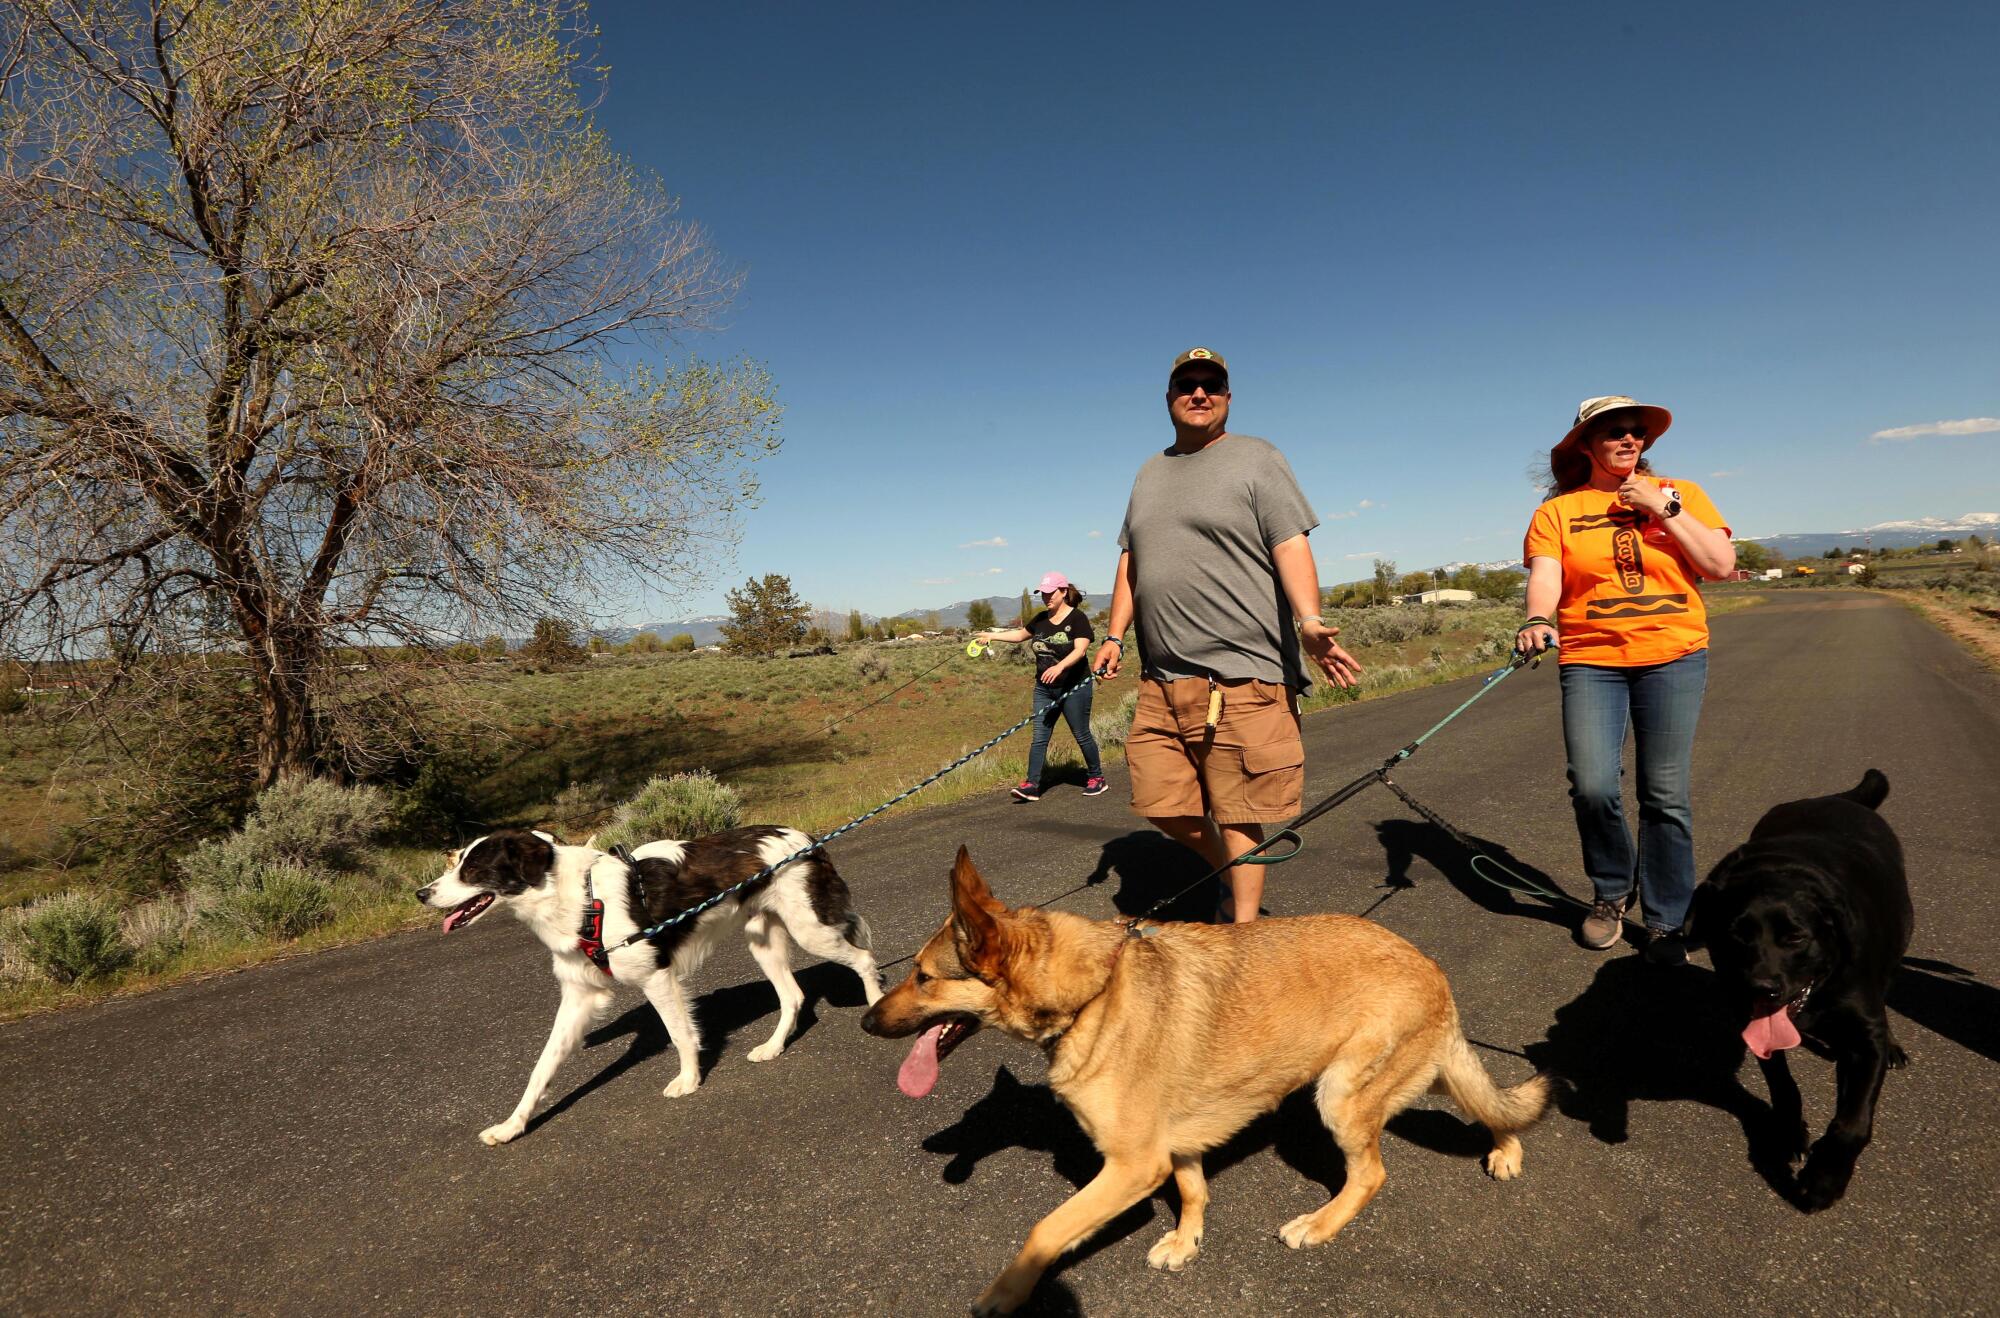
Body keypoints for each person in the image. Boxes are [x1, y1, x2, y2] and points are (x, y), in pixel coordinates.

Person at [1092, 348, 1362, 923]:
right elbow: (1130, 561)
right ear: (1168, 398)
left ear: (1228, 397)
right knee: (1161, 804)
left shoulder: (1256, 458)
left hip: (1241, 673)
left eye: (1211, 384)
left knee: (1239, 810)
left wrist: (1309, 620)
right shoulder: (1149, 472)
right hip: (1162, 678)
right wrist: (1114, 635)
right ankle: (1227, 869)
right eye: (1186, 385)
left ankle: (1244, 935)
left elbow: (1290, 542)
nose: (1199, 393)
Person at [1517, 395, 1735, 966]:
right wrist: (1537, 619)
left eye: (1637, 431)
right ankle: (1613, 892)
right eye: (1614, 431)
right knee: (1592, 783)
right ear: (1585, 444)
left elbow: (1717, 564)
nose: (1629, 439)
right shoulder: (1557, 513)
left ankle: (1666, 921)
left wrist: (1664, 508)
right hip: (1591, 659)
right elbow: (1546, 577)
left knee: (1664, 794)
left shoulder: (1682, 494)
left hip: (1674, 655)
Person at [975, 571, 1107, 802]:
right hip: (1044, 689)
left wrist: (1060, 667)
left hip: (1074, 686)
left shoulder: (1077, 619)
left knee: (1081, 734)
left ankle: (1096, 777)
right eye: (1043, 593)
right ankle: (1032, 785)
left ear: (1063, 592)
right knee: (1039, 737)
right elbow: (1019, 635)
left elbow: (1080, 650)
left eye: (1050, 593)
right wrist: (991, 636)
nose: (1046, 597)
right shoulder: (1040, 619)